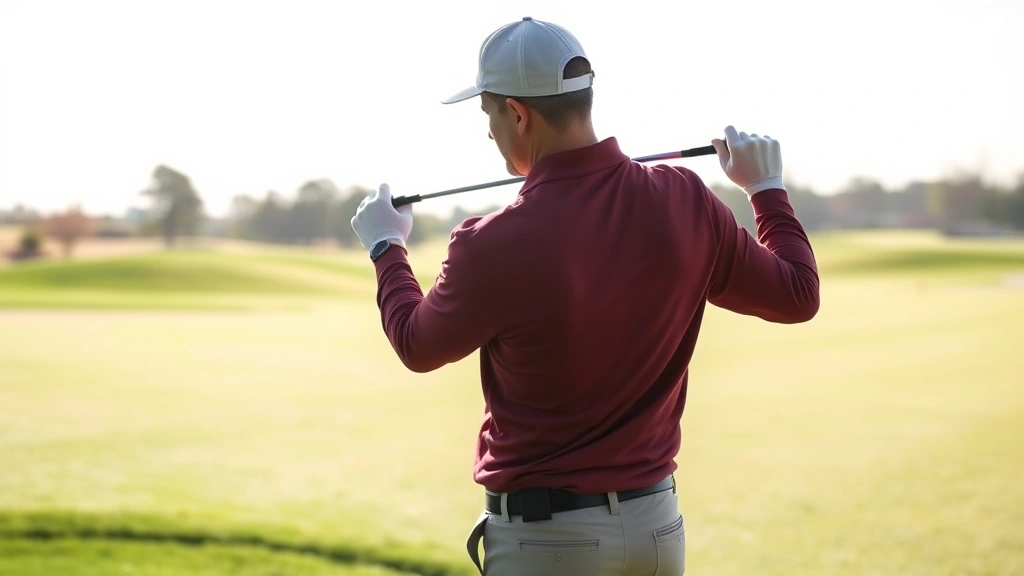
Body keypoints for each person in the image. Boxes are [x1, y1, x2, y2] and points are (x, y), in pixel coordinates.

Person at [350, 16, 820, 576]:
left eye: (489, 114)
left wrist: (386, 247)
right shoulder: (686, 198)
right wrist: (765, 189)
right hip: (658, 531)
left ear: (518, 114)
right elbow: (797, 295)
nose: (490, 131)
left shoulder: (491, 242)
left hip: (550, 545)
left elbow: (416, 344)